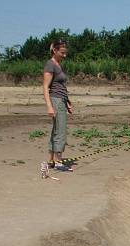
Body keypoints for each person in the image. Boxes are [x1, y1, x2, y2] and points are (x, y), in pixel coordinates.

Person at [43, 40, 73, 172]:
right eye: (62, 53)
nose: (64, 55)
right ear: (54, 51)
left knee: (56, 130)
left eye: (65, 53)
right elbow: (45, 87)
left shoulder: (58, 65)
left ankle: (51, 160)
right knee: (60, 131)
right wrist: (49, 106)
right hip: (55, 101)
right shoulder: (50, 65)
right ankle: (58, 161)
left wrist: (67, 101)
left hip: (61, 100)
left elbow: (60, 86)